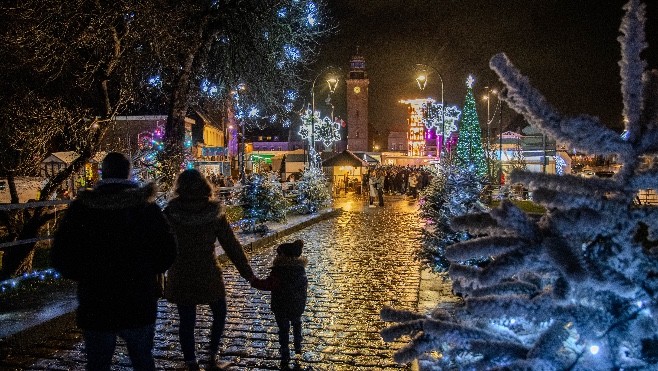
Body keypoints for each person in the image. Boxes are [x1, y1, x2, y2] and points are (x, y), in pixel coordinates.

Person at [51, 152, 177, 371]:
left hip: (97, 300)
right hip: (138, 299)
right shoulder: (146, 208)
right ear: (129, 172)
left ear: (103, 172)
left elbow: (61, 255)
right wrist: (146, 271)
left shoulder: (82, 208)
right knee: (143, 361)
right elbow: (168, 252)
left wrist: (87, 275)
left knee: (98, 363)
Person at [163, 169, 256, 370]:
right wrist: (248, 274)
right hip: (208, 272)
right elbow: (231, 246)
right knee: (220, 312)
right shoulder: (213, 213)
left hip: (181, 273)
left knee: (186, 320)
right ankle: (212, 356)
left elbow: (159, 246)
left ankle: (190, 362)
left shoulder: (170, 213)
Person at [251, 240, 308, 369]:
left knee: (283, 329)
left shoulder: (279, 272)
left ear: (282, 256)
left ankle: (285, 350)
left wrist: (254, 281)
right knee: (297, 323)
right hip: (297, 306)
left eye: (278, 254)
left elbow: (268, 285)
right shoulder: (300, 271)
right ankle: (298, 345)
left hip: (281, 306)